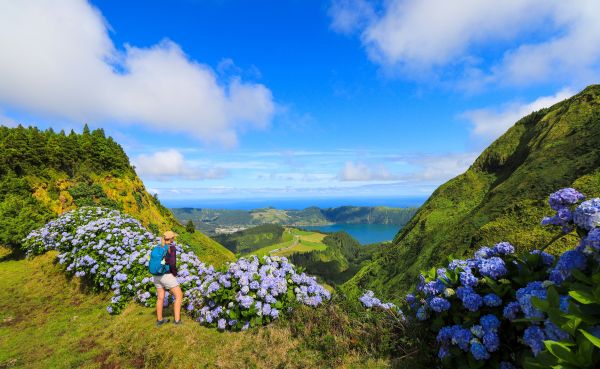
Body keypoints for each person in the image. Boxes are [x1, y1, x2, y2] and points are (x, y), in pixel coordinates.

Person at [154, 230, 183, 326]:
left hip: (156, 275)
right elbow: (172, 264)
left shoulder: (158, 247)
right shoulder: (171, 248)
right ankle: (177, 321)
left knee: (160, 298)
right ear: (171, 239)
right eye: (173, 238)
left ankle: (159, 320)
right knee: (179, 295)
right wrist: (174, 274)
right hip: (166, 275)